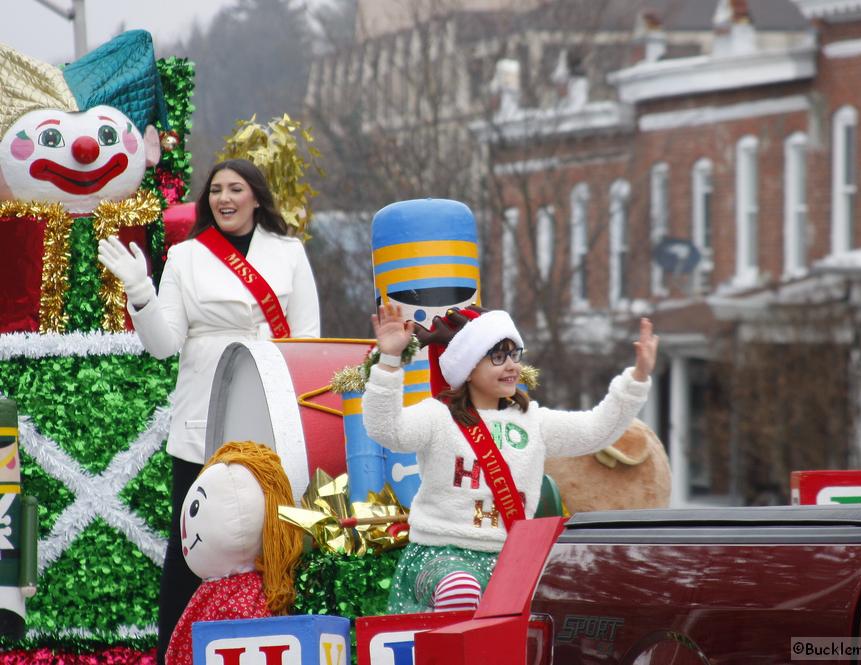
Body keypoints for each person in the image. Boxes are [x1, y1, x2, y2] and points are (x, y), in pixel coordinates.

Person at [96, 158, 320, 663]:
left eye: (235, 188)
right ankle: (173, 653)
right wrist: (140, 292)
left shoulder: (288, 253)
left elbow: (309, 340)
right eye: (216, 189)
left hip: (272, 410)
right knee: (189, 549)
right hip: (203, 418)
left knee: (282, 539)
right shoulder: (186, 257)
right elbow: (161, 345)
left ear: (256, 197)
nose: (224, 198)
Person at [362, 303, 657, 613]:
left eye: (515, 354)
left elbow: (596, 430)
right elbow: (387, 430)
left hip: (512, 560)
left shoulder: (534, 421)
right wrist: (389, 362)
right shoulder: (437, 416)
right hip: (441, 556)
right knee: (460, 591)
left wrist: (637, 378)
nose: (512, 366)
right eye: (498, 357)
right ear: (468, 367)